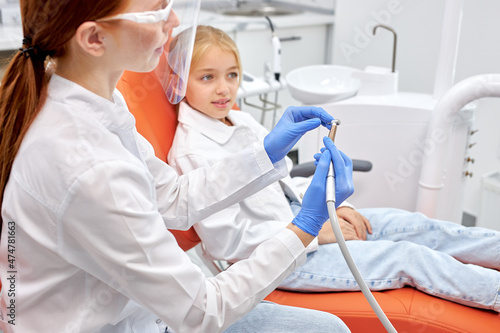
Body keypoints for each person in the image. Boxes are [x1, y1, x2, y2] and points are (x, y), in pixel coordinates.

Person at [0, 2, 355, 332]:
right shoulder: (87, 165)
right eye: (156, 11)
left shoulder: (97, 100)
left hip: (142, 312)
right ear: (94, 38)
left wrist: (264, 154)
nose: (172, 22)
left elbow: (171, 198)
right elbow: (201, 311)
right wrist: (304, 227)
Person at [167, 25, 500, 313]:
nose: (224, 88)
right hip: (277, 260)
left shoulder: (239, 119)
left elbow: (284, 180)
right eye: (207, 77)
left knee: (415, 226)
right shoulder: (192, 151)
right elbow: (229, 242)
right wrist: (312, 232)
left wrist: (336, 206)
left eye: (232, 75)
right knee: (407, 258)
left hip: (299, 220)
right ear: (179, 79)